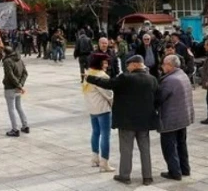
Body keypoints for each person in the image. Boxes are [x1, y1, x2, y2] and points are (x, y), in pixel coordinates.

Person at [85, 55, 159, 186]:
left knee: (126, 149)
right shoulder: (152, 79)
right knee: (145, 149)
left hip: (127, 122)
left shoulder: (126, 78)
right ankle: (147, 177)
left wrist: (90, 78)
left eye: (129, 65)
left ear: (136, 65)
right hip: (145, 122)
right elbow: (158, 99)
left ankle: (125, 176)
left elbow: (108, 84)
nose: (127, 68)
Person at [158, 55, 194, 181]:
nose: (162, 67)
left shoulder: (169, 80)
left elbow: (159, 98)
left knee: (169, 147)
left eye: (164, 64)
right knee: (181, 144)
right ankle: (185, 169)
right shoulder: (182, 75)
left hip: (171, 119)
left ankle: (175, 172)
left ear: (170, 65)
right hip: (183, 117)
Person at [82, 53, 115, 172]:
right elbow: (109, 94)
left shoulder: (88, 73)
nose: (106, 65)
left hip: (92, 109)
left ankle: (94, 158)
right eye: (105, 62)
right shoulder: (102, 76)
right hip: (103, 109)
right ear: (99, 63)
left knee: (95, 133)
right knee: (105, 135)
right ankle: (104, 162)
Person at [2, 46, 29, 137]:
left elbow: (10, 75)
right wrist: (21, 84)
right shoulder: (19, 59)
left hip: (10, 87)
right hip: (18, 88)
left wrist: (18, 85)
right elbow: (25, 73)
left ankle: (15, 129)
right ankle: (25, 125)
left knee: (11, 109)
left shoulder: (7, 61)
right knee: (19, 107)